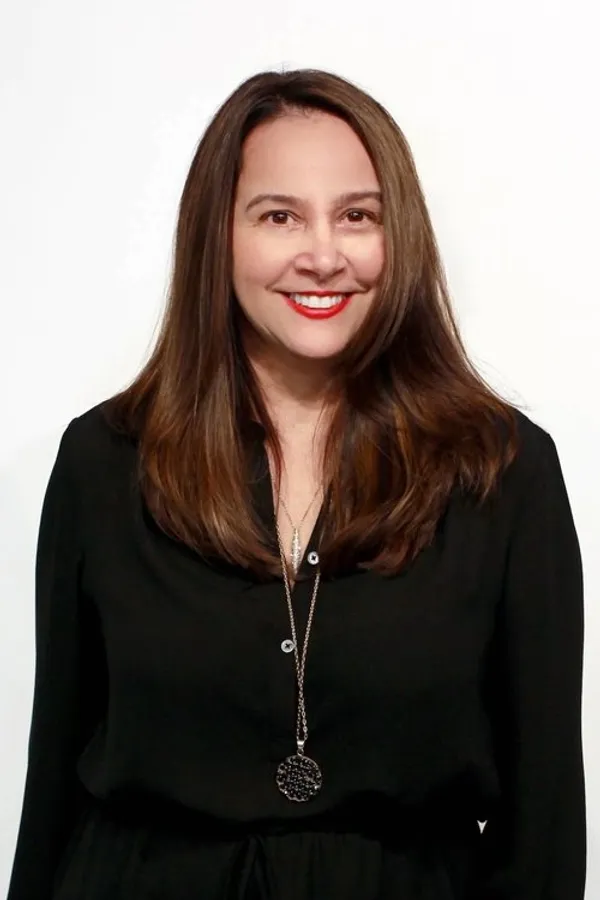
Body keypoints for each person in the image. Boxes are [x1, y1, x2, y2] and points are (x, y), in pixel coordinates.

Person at [7, 67, 585, 900]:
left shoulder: (503, 468)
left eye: (357, 216)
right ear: (218, 235)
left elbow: (546, 823)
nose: (323, 256)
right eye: (279, 216)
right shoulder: (104, 462)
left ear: (399, 234)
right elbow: (53, 785)